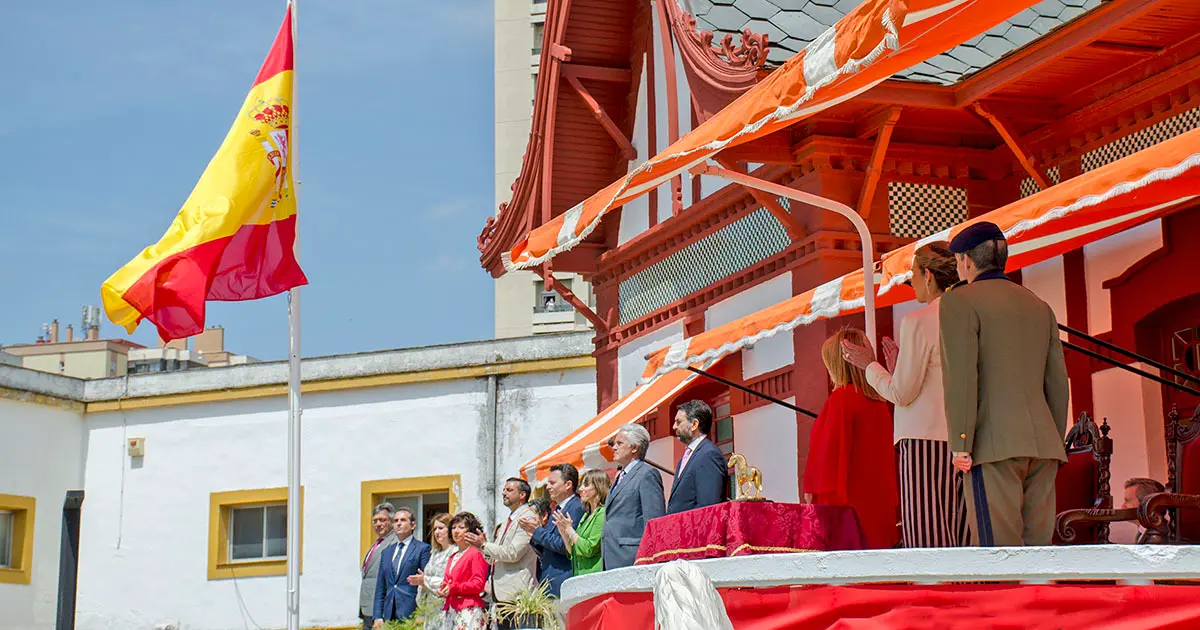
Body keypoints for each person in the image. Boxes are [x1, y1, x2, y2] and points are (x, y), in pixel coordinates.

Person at [940, 221, 1069, 547]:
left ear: (966, 260)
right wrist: (1053, 440)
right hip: (1043, 446)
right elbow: (1057, 382)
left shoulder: (960, 301)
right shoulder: (1039, 305)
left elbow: (962, 378)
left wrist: (961, 442)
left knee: (998, 555)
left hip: (992, 446)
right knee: (1038, 555)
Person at [841, 242, 971, 548]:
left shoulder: (919, 321)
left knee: (928, 537)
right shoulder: (970, 316)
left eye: (913, 273)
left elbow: (901, 393)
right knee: (964, 534)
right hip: (966, 438)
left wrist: (869, 365)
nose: (910, 280)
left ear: (928, 275)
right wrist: (898, 369)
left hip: (924, 440)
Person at [805, 328, 899, 550]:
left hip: (847, 507)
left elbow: (827, 457)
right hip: (879, 505)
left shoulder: (841, 399)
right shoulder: (880, 403)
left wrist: (811, 493)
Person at [464, 478, 536, 630]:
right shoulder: (507, 521)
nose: (504, 493)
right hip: (502, 596)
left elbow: (513, 553)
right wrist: (481, 547)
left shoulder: (527, 517)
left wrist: (484, 545)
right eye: (504, 489)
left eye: (509, 490)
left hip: (517, 596)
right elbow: (494, 559)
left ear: (522, 495)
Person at [602, 423, 666, 570]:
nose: (614, 447)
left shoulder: (646, 474)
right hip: (611, 557)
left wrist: (648, 558)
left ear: (634, 448)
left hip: (632, 557)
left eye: (619, 443)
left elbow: (653, 521)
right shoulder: (620, 477)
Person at [522, 463, 584, 597]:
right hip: (550, 581)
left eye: (552, 483)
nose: (548, 487)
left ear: (568, 485)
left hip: (563, 580)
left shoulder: (576, 507)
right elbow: (547, 547)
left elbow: (565, 546)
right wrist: (532, 534)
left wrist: (537, 531)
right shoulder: (558, 508)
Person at [666, 400, 728, 514]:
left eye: (678, 422)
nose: (674, 427)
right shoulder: (686, 458)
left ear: (694, 424)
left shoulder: (708, 455)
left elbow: (708, 505)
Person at [374, 508, 433, 627]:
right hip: (389, 615)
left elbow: (426, 583)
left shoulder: (422, 549)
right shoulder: (386, 552)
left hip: (412, 614)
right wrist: (378, 616)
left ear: (413, 525)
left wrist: (422, 612)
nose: (398, 523)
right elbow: (380, 587)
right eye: (396, 521)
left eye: (403, 520)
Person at [554, 468, 610, 577]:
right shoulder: (586, 515)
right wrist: (564, 532)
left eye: (586, 485)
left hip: (594, 576)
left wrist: (570, 529)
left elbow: (588, 549)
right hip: (580, 575)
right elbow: (573, 552)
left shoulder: (602, 513)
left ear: (598, 487)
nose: (580, 489)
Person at [440, 512, 490, 630]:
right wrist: (444, 588)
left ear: (470, 531)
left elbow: (478, 584)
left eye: (461, 527)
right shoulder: (453, 556)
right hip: (451, 609)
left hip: (468, 609)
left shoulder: (476, 553)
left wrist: (454, 587)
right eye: (453, 528)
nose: (456, 531)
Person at [409, 513, 453, 630]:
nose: (437, 532)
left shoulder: (455, 552)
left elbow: (450, 581)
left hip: (446, 608)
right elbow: (426, 579)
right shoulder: (434, 553)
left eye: (441, 528)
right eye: (434, 529)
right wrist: (422, 583)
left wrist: (425, 580)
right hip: (431, 608)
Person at [360, 503, 398, 629]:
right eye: (375, 521)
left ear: (391, 521)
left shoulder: (395, 543)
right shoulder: (377, 543)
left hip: (381, 609)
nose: (378, 524)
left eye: (382, 520)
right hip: (367, 607)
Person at [1123, 477, 1166, 543]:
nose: (1122, 506)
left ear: (1147, 503)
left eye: (1127, 500)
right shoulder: (1143, 531)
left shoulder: (1158, 536)